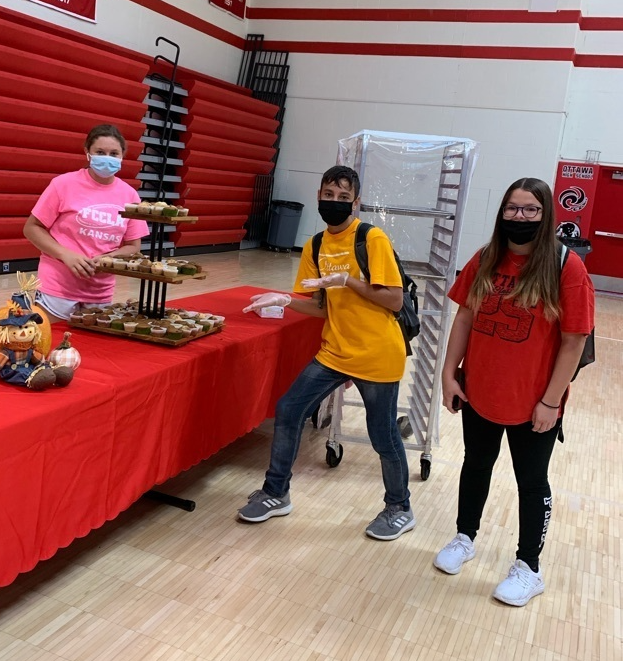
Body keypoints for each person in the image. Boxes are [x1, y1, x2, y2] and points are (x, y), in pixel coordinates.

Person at [435, 177, 595, 606]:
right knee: (476, 465)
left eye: (530, 210)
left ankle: (529, 567)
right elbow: (465, 317)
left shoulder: (565, 267)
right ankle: (464, 536)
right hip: (479, 392)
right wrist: (450, 374)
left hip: (534, 404)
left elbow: (575, 340)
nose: (519, 217)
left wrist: (550, 401)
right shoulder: (486, 258)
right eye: (512, 208)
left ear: (545, 216)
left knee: (531, 481)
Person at [238, 165, 414, 540]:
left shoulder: (371, 238)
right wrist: (284, 299)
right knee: (289, 409)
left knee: (382, 435)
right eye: (328, 195)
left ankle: (399, 507)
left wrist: (348, 281)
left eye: (342, 197)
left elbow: (395, 299)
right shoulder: (316, 244)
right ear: (319, 195)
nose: (334, 202)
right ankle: (276, 492)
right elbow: (320, 305)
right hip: (335, 350)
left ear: (356, 201)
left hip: (378, 354)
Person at [23, 124, 150, 320]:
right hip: (57, 287)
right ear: (87, 152)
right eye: (100, 152)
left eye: (114, 153)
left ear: (122, 156)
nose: (107, 157)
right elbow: (32, 228)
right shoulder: (63, 184)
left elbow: (133, 246)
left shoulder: (130, 195)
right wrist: (65, 255)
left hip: (100, 292)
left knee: (92, 350)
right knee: (50, 346)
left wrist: (110, 258)